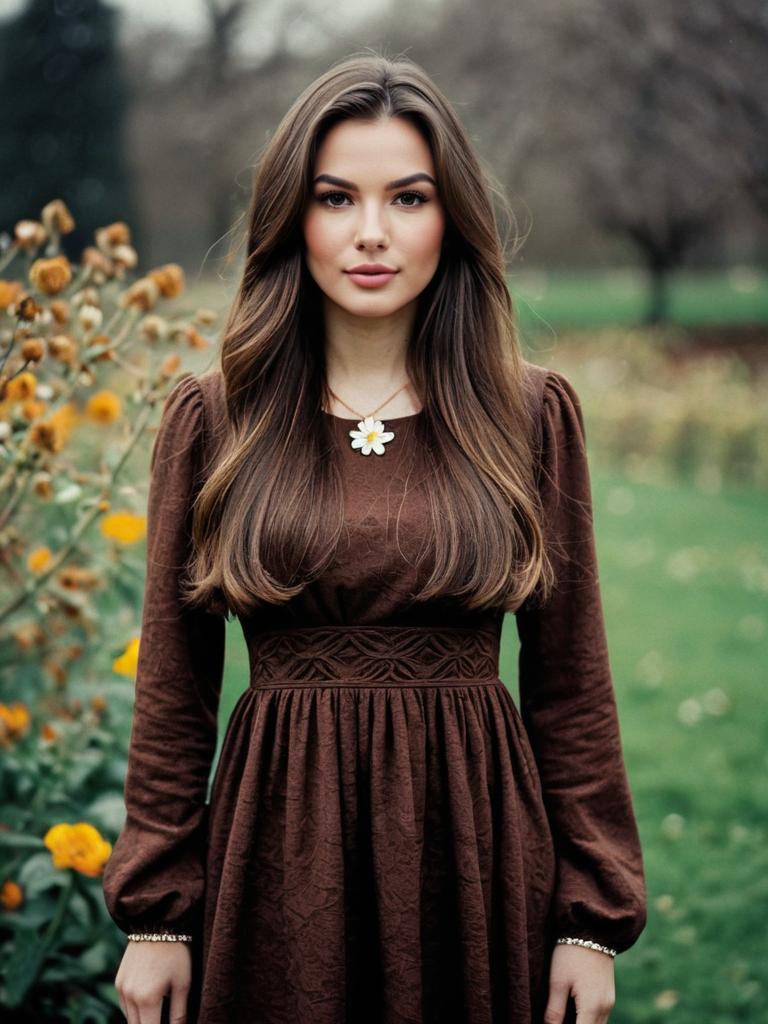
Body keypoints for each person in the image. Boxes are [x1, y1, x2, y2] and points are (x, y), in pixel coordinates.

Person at [102, 52, 647, 1024]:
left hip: (474, 844)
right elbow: (174, 692)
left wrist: (590, 922)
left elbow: (572, 688)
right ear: (293, 217)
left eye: (408, 198)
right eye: (335, 198)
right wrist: (156, 919)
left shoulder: (528, 415)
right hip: (280, 842)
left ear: (451, 216)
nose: (370, 232)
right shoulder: (217, 419)